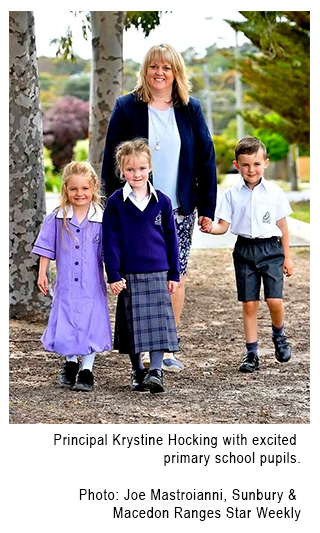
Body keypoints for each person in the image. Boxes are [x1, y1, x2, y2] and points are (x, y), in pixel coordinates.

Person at [101, 43, 217, 372]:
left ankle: (165, 348)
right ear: (145, 70)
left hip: (179, 207)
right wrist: (109, 206)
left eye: (166, 67)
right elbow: (112, 156)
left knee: (173, 275)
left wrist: (207, 206)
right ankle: (139, 347)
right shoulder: (127, 107)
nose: (159, 73)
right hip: (134, 209)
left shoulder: (190, 108)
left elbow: (206, 159)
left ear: (175, 72)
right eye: (154, 66)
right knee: (136, 277)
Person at [201, 136, 293, 372]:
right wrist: (210, 227)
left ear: (266, 163)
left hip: (271, 250)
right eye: (245, 165)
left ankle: (279, 335)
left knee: (274, 300)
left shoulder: (274, 192)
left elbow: (283, 227)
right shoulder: (232, 194)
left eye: (256, 164)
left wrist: (287, 257)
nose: (251, 169)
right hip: (244, 250)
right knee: (249, 304)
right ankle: (251, 353)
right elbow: (223, 226)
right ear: (236, 165)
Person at [102, 139, 180, 393]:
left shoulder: (163, 201)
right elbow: (110, 241)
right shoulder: (115, 203)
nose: (137, 174)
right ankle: (137, 371)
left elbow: (171, 239)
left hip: (158, 271)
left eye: (142, 169)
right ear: (122, 171)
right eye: (130, 170)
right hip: (128, 273)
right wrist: (113, 274)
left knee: (158, 325)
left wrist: (174, 273)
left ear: (150, 168)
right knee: (133, 326)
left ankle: (155, 371)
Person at [32, 161, 112, 391]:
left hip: (91, 285)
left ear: (94, 188)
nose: (80, 194)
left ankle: (86, 370)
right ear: (66, 189)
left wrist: (117, 275)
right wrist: (42, 272)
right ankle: (69, 364)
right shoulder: (57, 218)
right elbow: (47, 247)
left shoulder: (101, 218)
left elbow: (110, 252)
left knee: (91, 323)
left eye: (85, 188)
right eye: (74, 189)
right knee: (67, 321)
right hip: (66, 285)